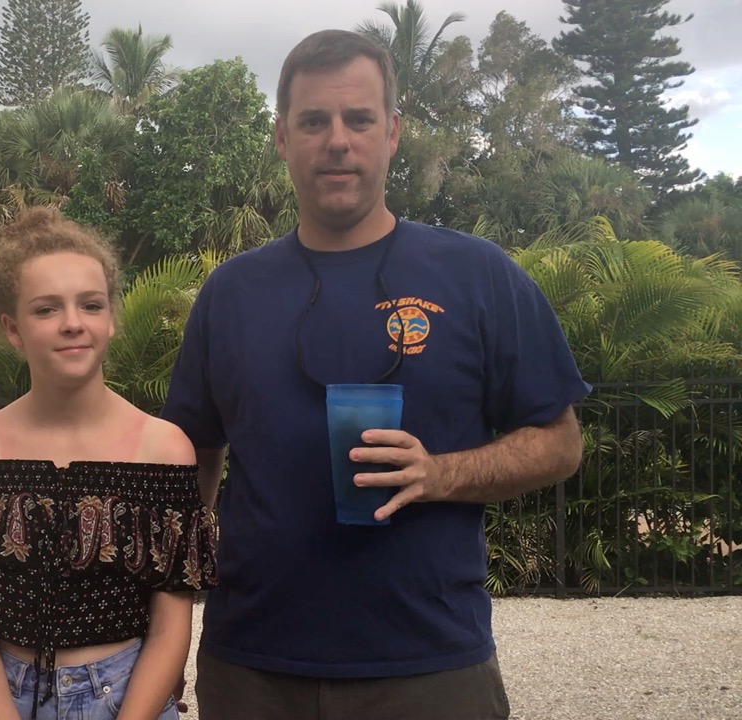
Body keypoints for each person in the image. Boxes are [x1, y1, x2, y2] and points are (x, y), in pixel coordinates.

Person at [160, 29, 592, 720]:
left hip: (431, 665)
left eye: (359, 119)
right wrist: (165, 620)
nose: (338, 141)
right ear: (282, 138)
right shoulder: (231, 293)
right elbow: (192, 459)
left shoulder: (478, 275)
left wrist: (439, 473)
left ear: (392, 132)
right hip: (253, 666)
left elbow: (560, 442)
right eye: (313, 121)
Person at [0, 207, 216, 720]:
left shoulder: (164, 449)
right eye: (47, 309)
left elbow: (171, 628)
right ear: (13, 328)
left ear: (111, 318)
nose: (73, 323)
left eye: (90, 304)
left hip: (126, 698)